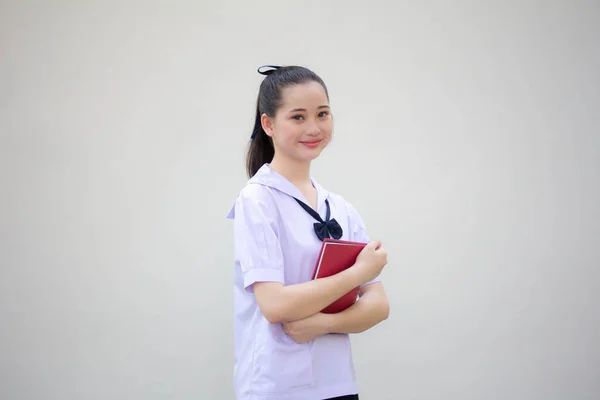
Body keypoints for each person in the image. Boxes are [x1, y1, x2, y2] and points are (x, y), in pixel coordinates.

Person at [226, 64, 390, 400]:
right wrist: (359, 272)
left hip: (337, 383)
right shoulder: (258, 199)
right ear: (268, 124)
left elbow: (378, 305)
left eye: (323, 114)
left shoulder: (341, 208)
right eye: (298, 117)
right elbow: (275, 305)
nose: (313, 128)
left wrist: (323, 324)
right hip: (276, 386)